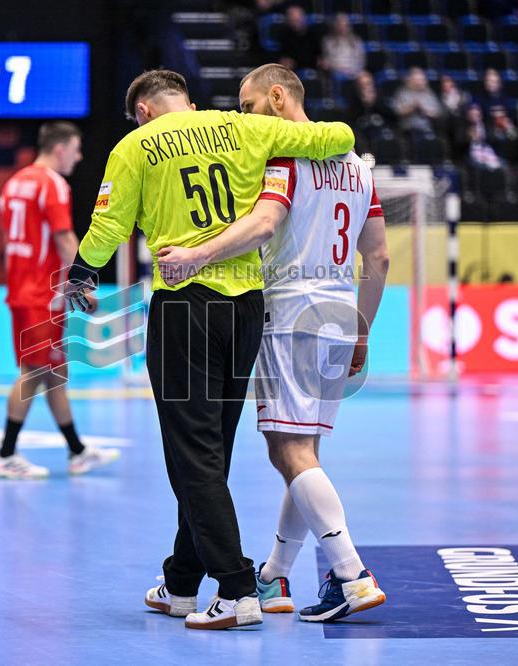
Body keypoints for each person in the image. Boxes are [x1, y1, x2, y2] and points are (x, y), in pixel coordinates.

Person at [63, 69, 356, 630]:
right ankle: (179, 584)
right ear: (189, 102)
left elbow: (108, 226)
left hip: (186, 305)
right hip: (247, 309)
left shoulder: (135, 147)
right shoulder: (242, 127)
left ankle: (239, 590)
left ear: (144, 111)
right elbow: (334, 136)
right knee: (209, 452)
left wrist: (80, 275)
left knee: (192, 456)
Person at [156, 63, 390, 623]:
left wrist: (196, 256)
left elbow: (264, 225)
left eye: (250, 106)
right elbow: (377, 256)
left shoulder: (283, 158)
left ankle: (351, 574)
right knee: (303, 452)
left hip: (291, 309)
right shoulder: (359, 169)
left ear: (279, 98)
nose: (244, 117)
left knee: (289, 451)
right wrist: (362, 324)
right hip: (339, 311)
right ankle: (273, 576)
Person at [0, 122, 120, 480]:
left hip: (22, 287)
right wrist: (82, 283)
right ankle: (4, 454)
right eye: (76, 149)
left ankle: (77, 451)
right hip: (42, 294)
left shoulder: (13, 183)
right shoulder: (52, 184)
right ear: (59, 148)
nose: (78, 158)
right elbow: (64, 238)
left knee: (55, 373)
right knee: (34, 372)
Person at [343, 70, 395, 142]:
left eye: (368, 84)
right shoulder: (353, 97)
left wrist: (374, 102)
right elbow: (351, 117)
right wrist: (363, 103)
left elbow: (390, 115)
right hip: (361, 130)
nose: (366, 87)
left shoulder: (380, 94)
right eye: (362, 85)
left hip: (381, 128)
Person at [391, 67, 443, 135]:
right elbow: (397, 111)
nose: (419, 83)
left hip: (426, 129)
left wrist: (424, 110)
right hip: (407, 130)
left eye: (421, 80)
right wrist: (412, 107)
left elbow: (437, 113)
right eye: (416, 80)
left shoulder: (429, 93)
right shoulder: (402, 93)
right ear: (410, 80)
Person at [320, 12, 365, 79]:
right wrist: (341, 69)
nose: (342, 28)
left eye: (345, 25)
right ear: (335, 26)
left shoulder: (356, 41)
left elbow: (361, 60)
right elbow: (327, 61)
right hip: (336, 73)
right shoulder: (328, 41)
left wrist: (353, 71)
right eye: (340, 25)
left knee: (364, 76)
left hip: (354, 72)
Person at [276, 5, 320, 71]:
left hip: (312, 68)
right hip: (292, 71)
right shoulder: (284, 36)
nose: (296, 23)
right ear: (288, 20)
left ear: (304, 18)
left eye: (298, 20)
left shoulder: (313, 35)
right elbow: (283, 56)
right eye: (293, 20)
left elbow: (318, 56)